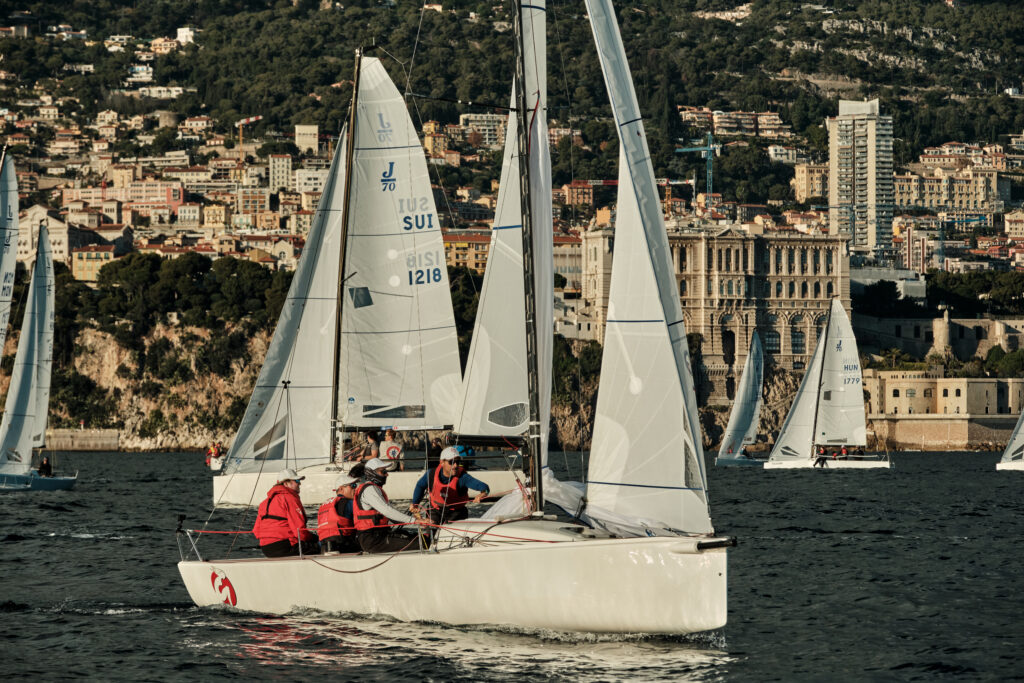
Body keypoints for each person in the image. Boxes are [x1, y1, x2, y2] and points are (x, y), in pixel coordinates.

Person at [352, 458, 427, 553]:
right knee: (422, 543)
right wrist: (415, 521)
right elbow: (387, 511)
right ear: (372, 473)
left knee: (419, 537)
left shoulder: (374, 489)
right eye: (383, 471)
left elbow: (390, 514)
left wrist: (416, 520)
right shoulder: (369, 490)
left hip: (379, 535)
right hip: (373, 540)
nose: (387, 474)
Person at [410, 447, 490, 525]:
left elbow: (485, 488)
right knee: (429, 531)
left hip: (456, 513)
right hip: (435, 511)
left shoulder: (463, 477)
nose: (455, 465)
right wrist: (415, 504)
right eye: (451, 462)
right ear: (442, 462)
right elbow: (420, 486)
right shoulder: (431, 474)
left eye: (457, 462)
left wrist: (482, 494)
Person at [252, 469, 319, 557]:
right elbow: (299, 531)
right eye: (297, 481)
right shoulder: (290, 498)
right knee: (321, 547)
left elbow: (256, 531)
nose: (299, 483)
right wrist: (315, 538)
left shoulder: (264, 503)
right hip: (286, 545)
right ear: (286, 483)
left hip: (266, 548)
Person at [316, 474, 359, 554]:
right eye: (353, 485)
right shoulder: (350, 502)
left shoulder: (324, 505)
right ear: (341, 489)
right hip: (343, 544)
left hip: (323, 546)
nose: (355, 489)